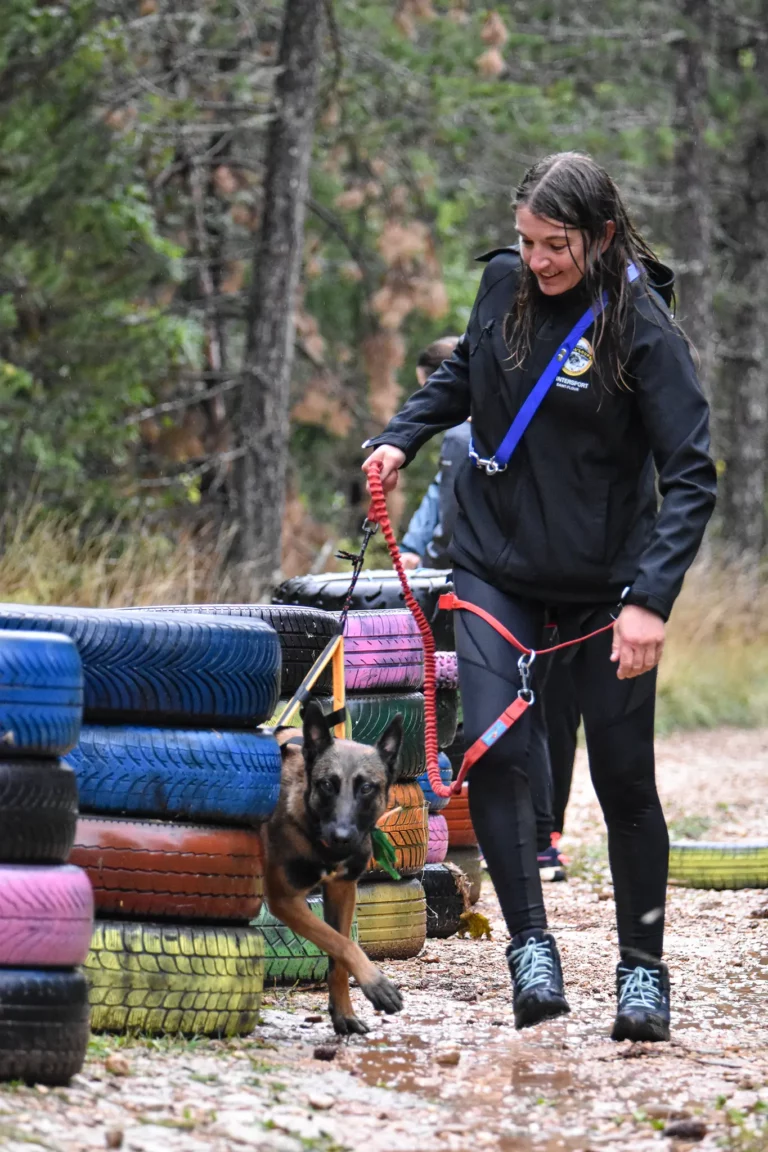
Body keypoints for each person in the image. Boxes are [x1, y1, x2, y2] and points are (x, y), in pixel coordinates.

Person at [362, 152, 716, 1042]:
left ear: (599, 236)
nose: (538, 260)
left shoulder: (644, 328)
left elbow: (692, 476)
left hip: (607, 588)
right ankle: (531, 948)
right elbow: (467, 376)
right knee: (498, 753)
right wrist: (402, 437)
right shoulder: (503, 287)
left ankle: (643, 971)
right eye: (526, 240)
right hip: (495, 567)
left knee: (623, 775)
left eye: (555, 245)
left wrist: (652, 600)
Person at [400, 336, 465, 570]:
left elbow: (451, 515)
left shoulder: (462, 438)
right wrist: (411, 547)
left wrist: (428, 565)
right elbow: (440, 491)